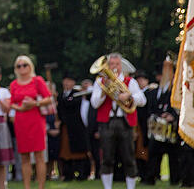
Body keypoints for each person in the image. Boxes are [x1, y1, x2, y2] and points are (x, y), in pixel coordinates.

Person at [92, 53, 147, 189]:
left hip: (125, 122)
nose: (114, 67)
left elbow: (143, 100)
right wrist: (105, 91)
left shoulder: (130, 82)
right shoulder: (100, 82)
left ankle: (130, 187)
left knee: (128, 157)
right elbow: (94, 103)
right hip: (107, 123)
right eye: (111, 64)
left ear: (121, 66)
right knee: (107, 158)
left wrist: (130, 96)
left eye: (116, 64)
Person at [9, 55, 52, 189]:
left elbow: (49, 98)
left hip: (36, 120)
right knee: (24, 156)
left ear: (30, 66)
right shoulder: (14, 84)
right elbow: (11, 103)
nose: (22, 68)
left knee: (39, 155)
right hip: (21, 121)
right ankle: (27, 186)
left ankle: (40, 186)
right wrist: (20, 108)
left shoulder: (37, 80)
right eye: (19, 66)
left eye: (24, 65)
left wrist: (35, 103)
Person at [141, 56, 180, 184]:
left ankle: (175, 180)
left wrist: (171, 116)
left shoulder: (175, 92)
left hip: (170, 130)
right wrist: (158, 115)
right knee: (152, 155)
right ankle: (150, 178)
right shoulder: (154, 92)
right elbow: (150, 109)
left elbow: (178, 106)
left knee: (173, 157)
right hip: (157, 129)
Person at [56, 74, 90, 181]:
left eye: (69, 81)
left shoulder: (77, 94)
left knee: (79, 153)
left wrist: (63, 101)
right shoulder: (60, 95)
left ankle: (82, 174)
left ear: (74, 83)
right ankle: (67, 175)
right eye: (65, 80)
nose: (67, 83)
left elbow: (70, 104)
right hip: (65, 126)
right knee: (65, 152)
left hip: (77, 128)